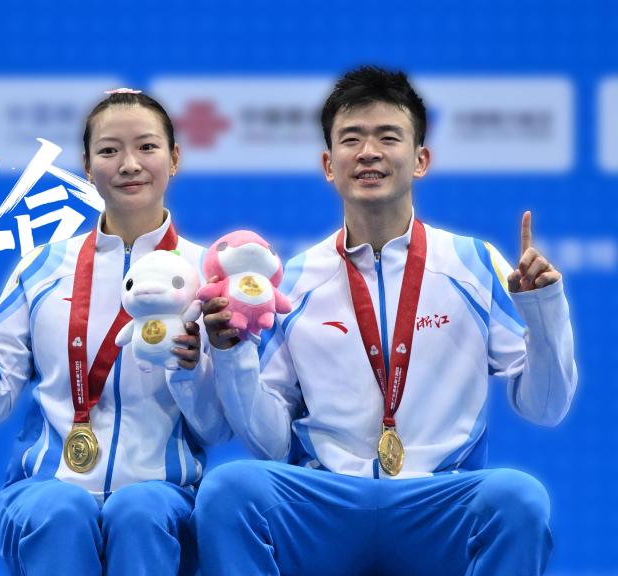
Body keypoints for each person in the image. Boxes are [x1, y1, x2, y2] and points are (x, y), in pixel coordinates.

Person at [195, 66, 577, 575]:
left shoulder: (473, 262)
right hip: (328, 503)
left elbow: (546, 406)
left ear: (420, 159)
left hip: (437, 502)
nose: (368, 152)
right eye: (351, 139)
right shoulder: (296, 280)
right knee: (229, 489)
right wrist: (232, 354)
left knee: (518, 497)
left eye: (388, 137)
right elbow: (271, 443)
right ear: (328, 164)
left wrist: (544, 310)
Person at [0, 90, 230, 575]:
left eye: (147, 147)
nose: (129, 164)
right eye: (109, 150)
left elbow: (215, 429)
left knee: (139, 511)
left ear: (174, 158)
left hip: (164, 498)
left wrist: (190, 371)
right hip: (47, 489)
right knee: (62, 510)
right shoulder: (43, 268)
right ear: (86, 166)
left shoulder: (206, 275)